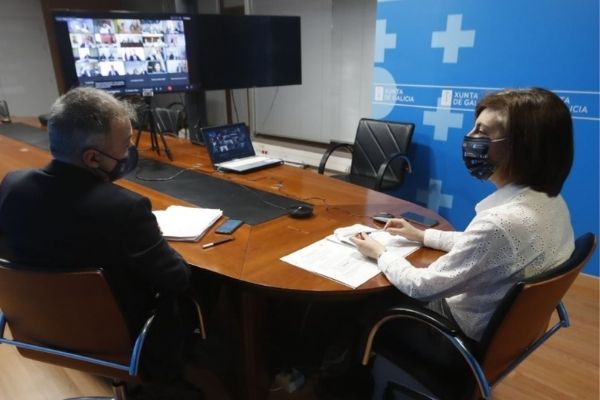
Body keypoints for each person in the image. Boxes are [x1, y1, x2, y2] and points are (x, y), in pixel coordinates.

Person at [348, 87, 575, 396]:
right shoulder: (549, 203)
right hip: (502, 335)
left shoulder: (501, 224)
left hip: (454, 339)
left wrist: (380, 252)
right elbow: (485, 247)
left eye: (483, 132)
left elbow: (423, 286)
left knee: (360, 303)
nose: (470, 138)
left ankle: (348, 380)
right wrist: (422, 235)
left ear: (522, 147)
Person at [0, 87, 221, 395]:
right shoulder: (125, 209)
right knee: (209, 282)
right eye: (127, 143)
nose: (131, 150)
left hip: (40, 330)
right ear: (92, 157)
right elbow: (177, 278)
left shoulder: (12, 186)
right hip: (123, 341)